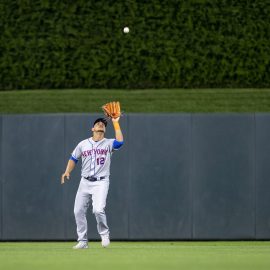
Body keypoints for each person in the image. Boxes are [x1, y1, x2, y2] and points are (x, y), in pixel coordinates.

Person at [61, 117, 124, 249]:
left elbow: (120, 141)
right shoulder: (83, 144)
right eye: (98, 123)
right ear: (92, 129)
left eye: (103, 124)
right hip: (84, 182)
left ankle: (104, 233)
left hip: (101, 182)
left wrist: (115, 122)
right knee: (78, 211)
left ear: (105, 130)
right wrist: (67, 171)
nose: (101, 124)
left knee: (98, 209)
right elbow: (74, 158)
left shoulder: (108, 143)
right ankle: (83, 241)